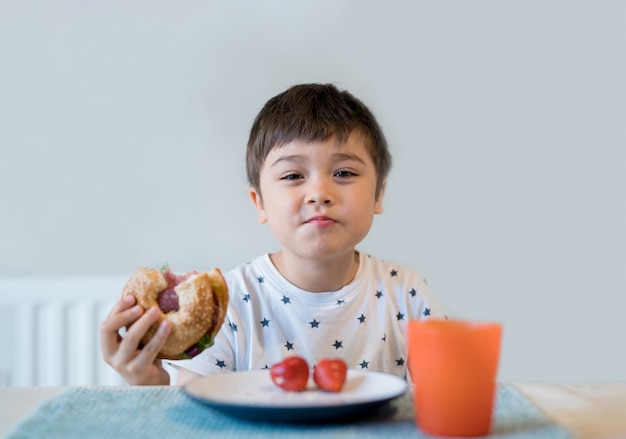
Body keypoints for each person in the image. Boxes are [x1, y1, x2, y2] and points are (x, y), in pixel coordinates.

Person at [100, 83, 445, 386]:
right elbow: (197, 420)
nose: (319, 193)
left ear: (378, 195)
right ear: (259, 202)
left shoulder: (407, 294)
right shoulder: (230, 302)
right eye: (293, 176)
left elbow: (444, 401)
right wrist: (150, 387)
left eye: (343, 172)